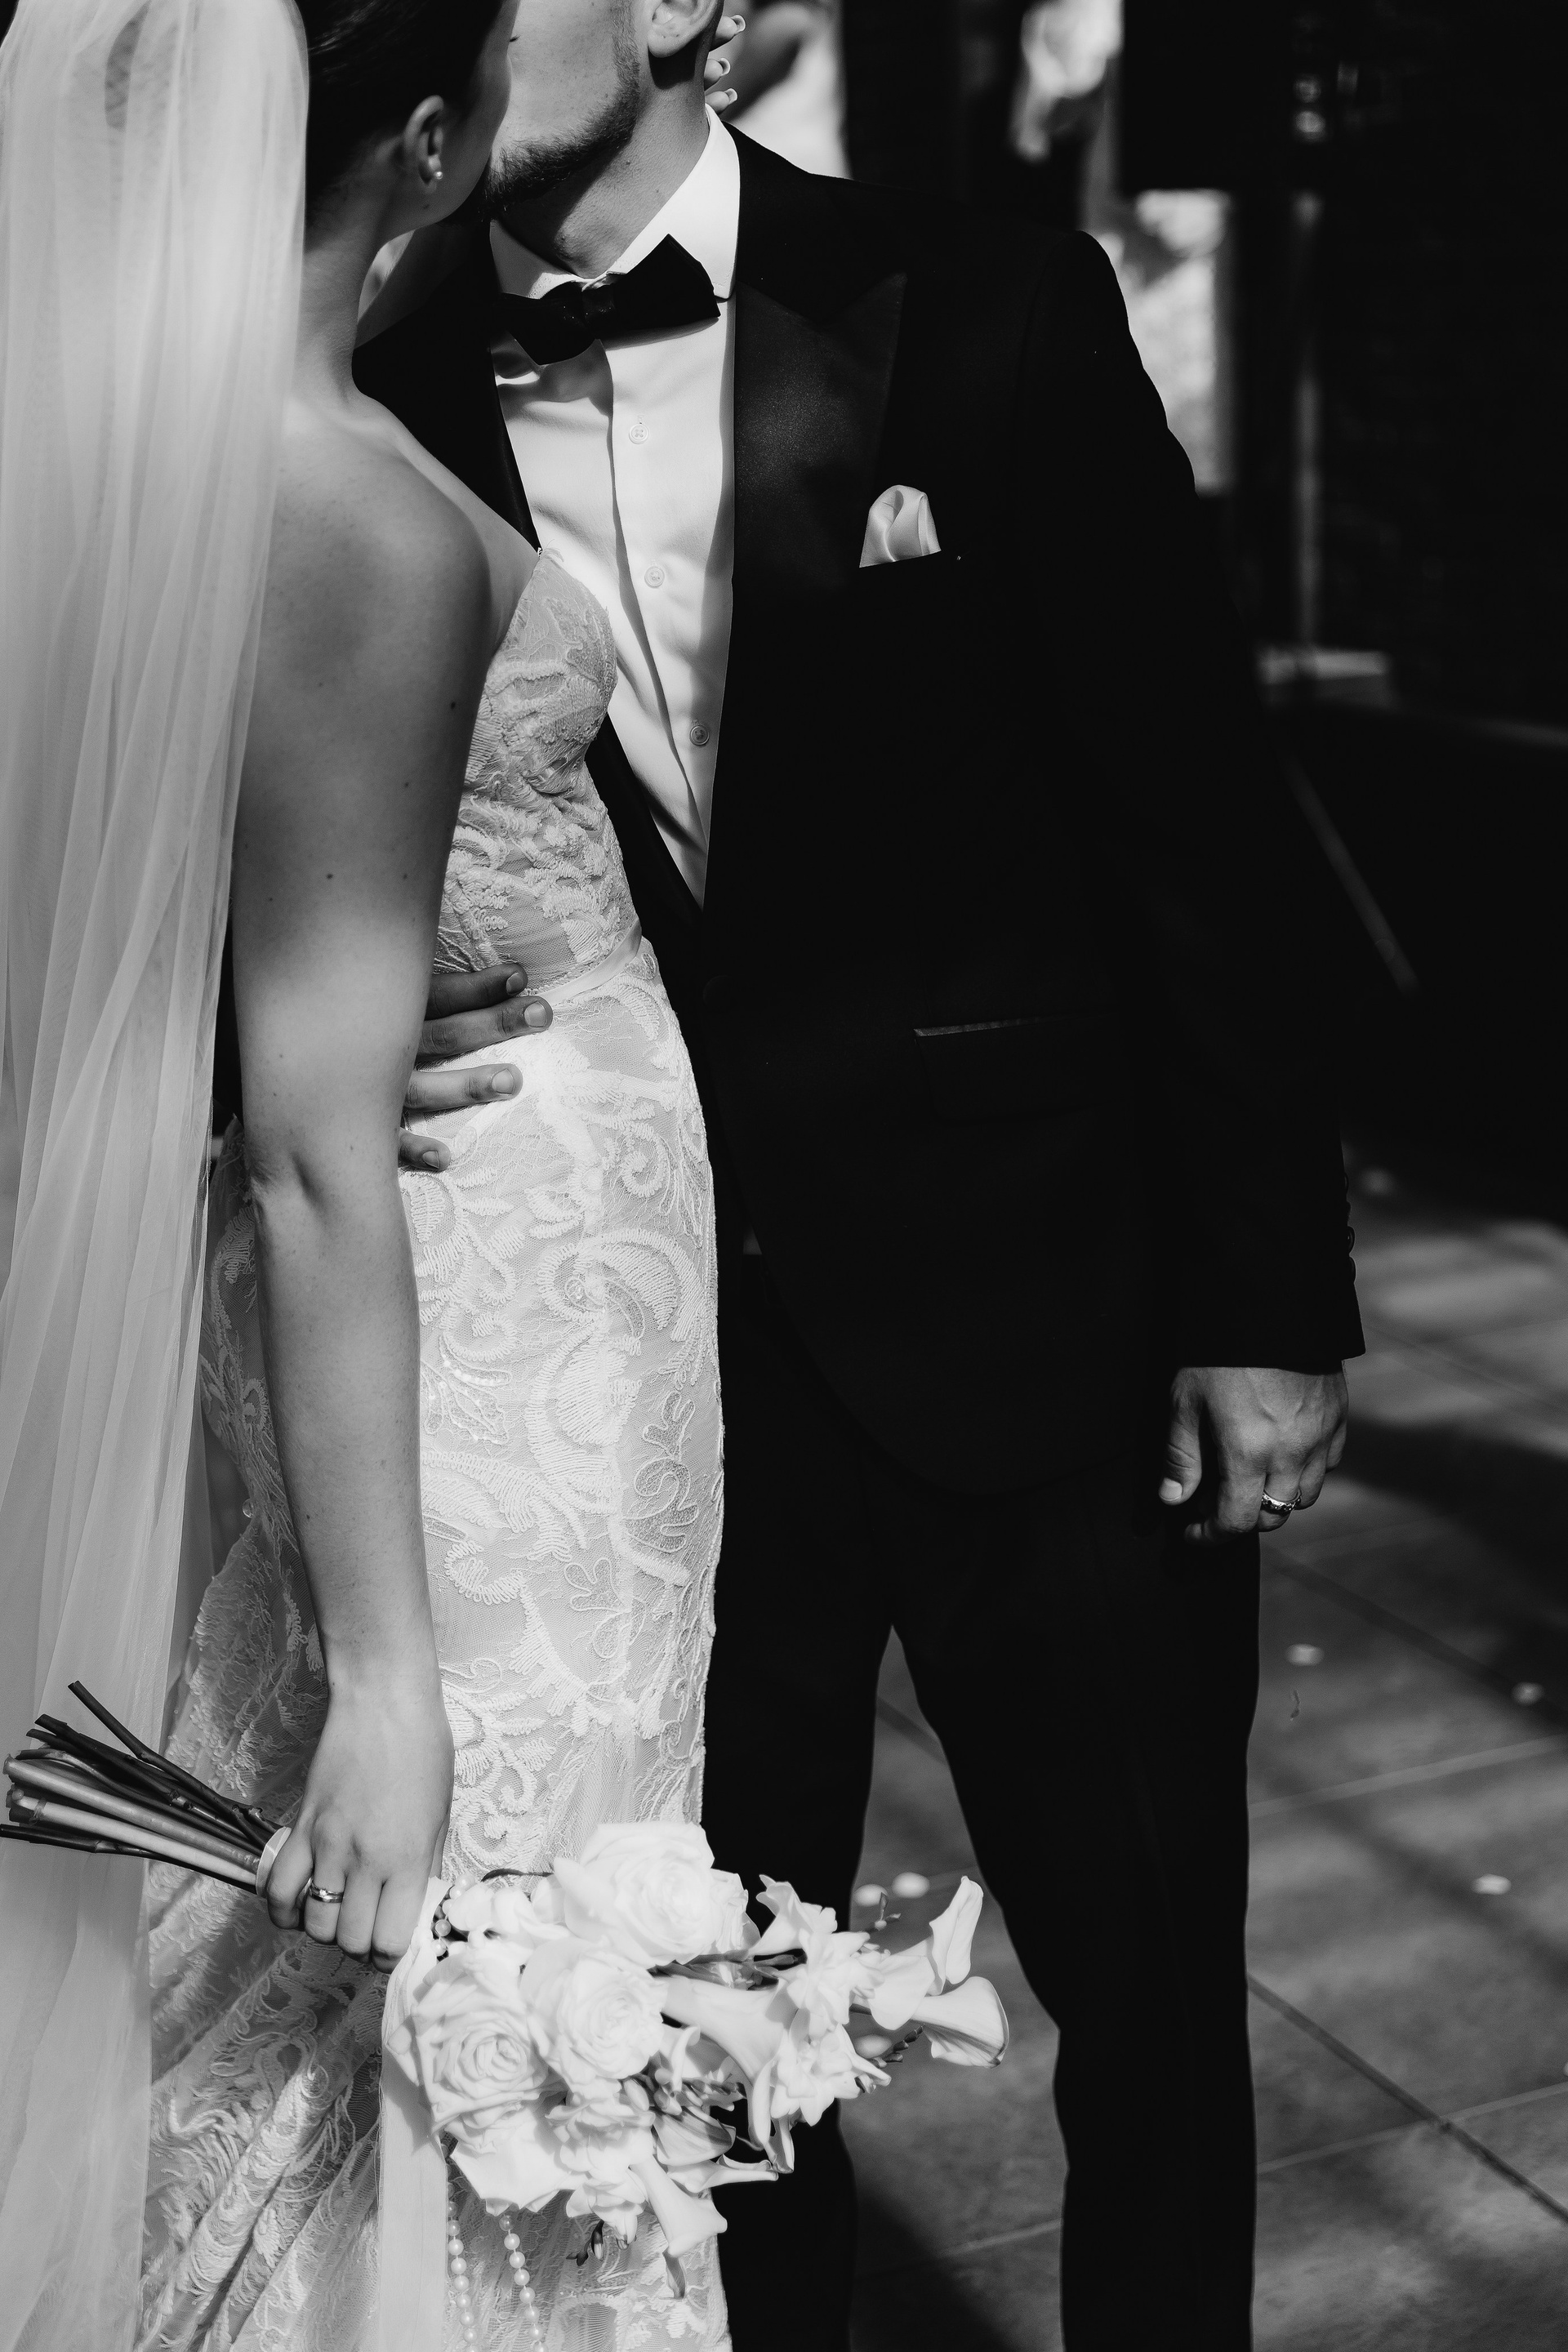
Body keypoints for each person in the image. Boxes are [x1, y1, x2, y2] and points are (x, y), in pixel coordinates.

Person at [353, 2, 1364, 2346]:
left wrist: (1265, 1299)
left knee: (1148, 1990)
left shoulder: (994, 307)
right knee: (697, 2044)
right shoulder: (375, 385)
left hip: (1053, 1313)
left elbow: (1193, 819)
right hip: (650, 1360)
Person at [0, 3, 731, 2347]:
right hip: (474, 1349)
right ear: (421, 143)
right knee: (459, 1967)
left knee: (418, 1981)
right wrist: (395, 1677)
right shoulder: (334, 504)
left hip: (503, 1306)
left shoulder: (130, 451)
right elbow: (325, 1161)